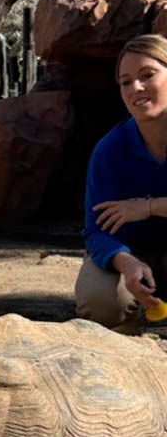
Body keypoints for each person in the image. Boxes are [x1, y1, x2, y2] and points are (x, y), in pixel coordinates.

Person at [75, 33, 167, 331]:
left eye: (147, 75)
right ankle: (133, 322)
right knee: (101, 300)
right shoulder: (109, 150)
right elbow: (95, 228)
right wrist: (123, 260)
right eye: (126, 82)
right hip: (133, 253)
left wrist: (148, 207)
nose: (136, 88)